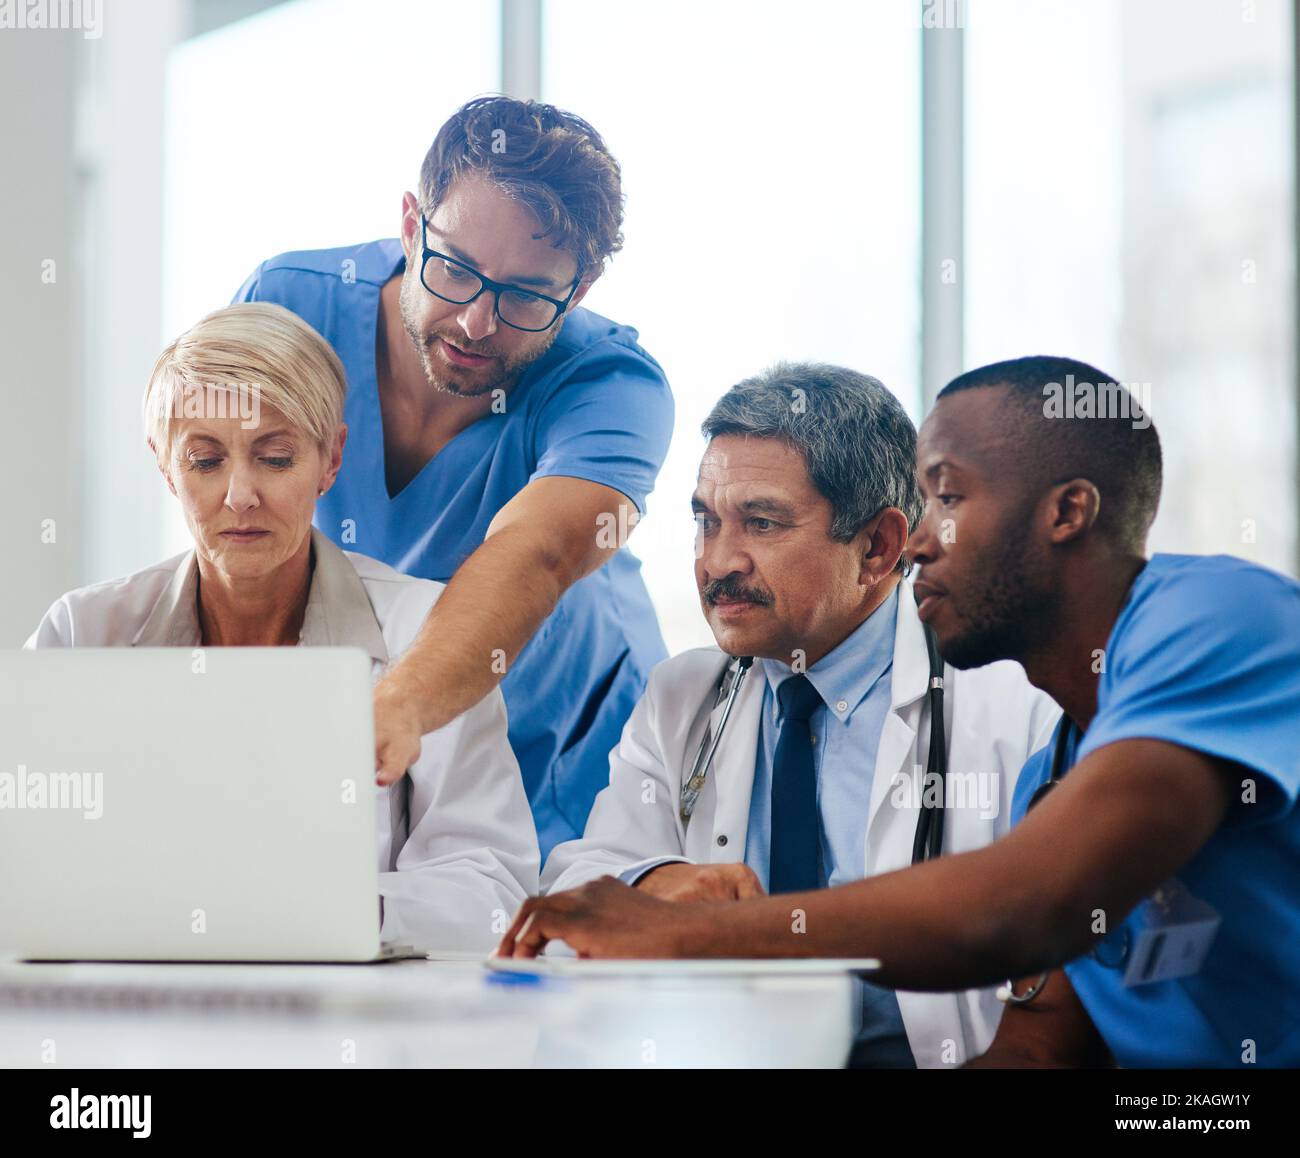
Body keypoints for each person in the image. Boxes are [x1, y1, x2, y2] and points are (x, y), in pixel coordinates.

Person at [498, 354, 1300, 1069]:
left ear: (1067, 513)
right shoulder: (1053, 774)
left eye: (945, 496)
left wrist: (678, 932)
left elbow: (1019, 910)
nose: (920, 540)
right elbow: (1033, 1047)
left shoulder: (1220, 616)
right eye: (706, 520)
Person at [541, 363, 1060, 1067]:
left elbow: (1059, 947)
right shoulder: (682, 697)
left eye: (761, 523)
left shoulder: (1011, 708)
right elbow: (583, 881)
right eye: (706, 521)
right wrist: (660, 881)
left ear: (878, 547)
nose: (718, 561)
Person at [233, 96, 673, 858]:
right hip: (383, 745)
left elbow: (537, 552)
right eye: (457, 270)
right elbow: (230, 511)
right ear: (411, 224)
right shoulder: (289, 307)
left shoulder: (613, 385)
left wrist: (396, 703)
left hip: (573, 767)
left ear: (581, 288)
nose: (477, 322)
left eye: (527, 296)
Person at [27, 302, 539, 955]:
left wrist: (323, 908)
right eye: (205, 461)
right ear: (164, 467)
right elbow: (30, 857)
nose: (240, 495)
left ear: (330, 460)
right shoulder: (82, 634)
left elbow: (493, 892)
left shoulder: (425, 633)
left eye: (274, 457)